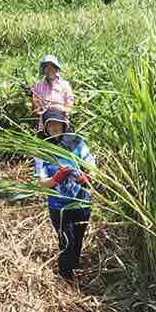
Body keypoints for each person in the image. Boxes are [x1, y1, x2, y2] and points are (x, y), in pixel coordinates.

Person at [34, 109, 95, 280]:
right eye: (50, 124)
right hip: (59, 206)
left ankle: (74, 270)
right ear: (45, 127)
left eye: (57, 123)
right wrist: (56, 178)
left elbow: (91, 165)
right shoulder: (41, 149)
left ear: (64, 124)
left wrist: (86, 177)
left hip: (81, 201)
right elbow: (42, 183)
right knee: (66, 242)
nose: (54, 127)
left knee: (78, 240)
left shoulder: (76, 142)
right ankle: (65, 277)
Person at [31, 55, 74, 134]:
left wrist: (56, 108)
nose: (49, 70)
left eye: (52, 67)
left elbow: (70, 107)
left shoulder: (65, 85)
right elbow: (35, 109)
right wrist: (37, 105)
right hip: (44, 127)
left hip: (62, 126)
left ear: (56, 68)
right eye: (46, 67)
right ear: (43, 70)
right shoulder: (38, 86)